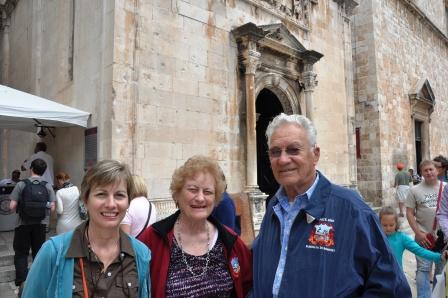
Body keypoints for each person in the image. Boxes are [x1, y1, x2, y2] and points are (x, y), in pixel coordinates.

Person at [252, 113, 410, 297]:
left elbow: (391, 287)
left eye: (294, 150)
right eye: (275, 151)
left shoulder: (352, 209)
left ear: (315, 154)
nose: (283, 159)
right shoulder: (274, 206)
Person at [21, 160, 151, 298]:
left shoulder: (141, 255)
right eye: (101, 194)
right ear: (85, 200)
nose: (111, 204)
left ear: (128, 202)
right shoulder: (53, 252)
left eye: (119, 195)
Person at [138, 155, 252, 298]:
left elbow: (248, 285)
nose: (200, 198)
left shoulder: (230, 240)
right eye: (192, 189)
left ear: (215, 198)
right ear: (178, 194)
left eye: (208, 192)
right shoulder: (152, 239)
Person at [8, 158, 56, 291]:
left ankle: (21, 281)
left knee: (21, 253)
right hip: (40, 225)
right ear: (44, 171)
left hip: (22, 224)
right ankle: (37, 279)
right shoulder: (47, 186)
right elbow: (52, 208)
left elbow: (12, 206)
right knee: (38, 252)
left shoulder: (21, 184)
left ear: (31, 169)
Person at [406, 160, 447, 298]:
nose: (429, 172)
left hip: (443, 238)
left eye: (431, 169)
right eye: (425, 170)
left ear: (437, 170)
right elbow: (409, 212)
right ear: (421, 173)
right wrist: (418, 233)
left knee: (440, 270)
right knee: (423, 269)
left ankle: (437, 295)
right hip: (424, 237)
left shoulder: (446, 187)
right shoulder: (414, 190)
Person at [379, 206, 446, 268]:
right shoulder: (375, 237)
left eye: (391, 225)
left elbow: (419, 250)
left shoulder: (401, 238)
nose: (388, 228)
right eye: (384, 225)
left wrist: (439, 257)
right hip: (377, 277)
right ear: (379, 223)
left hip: (396, 276)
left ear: (396, 223)